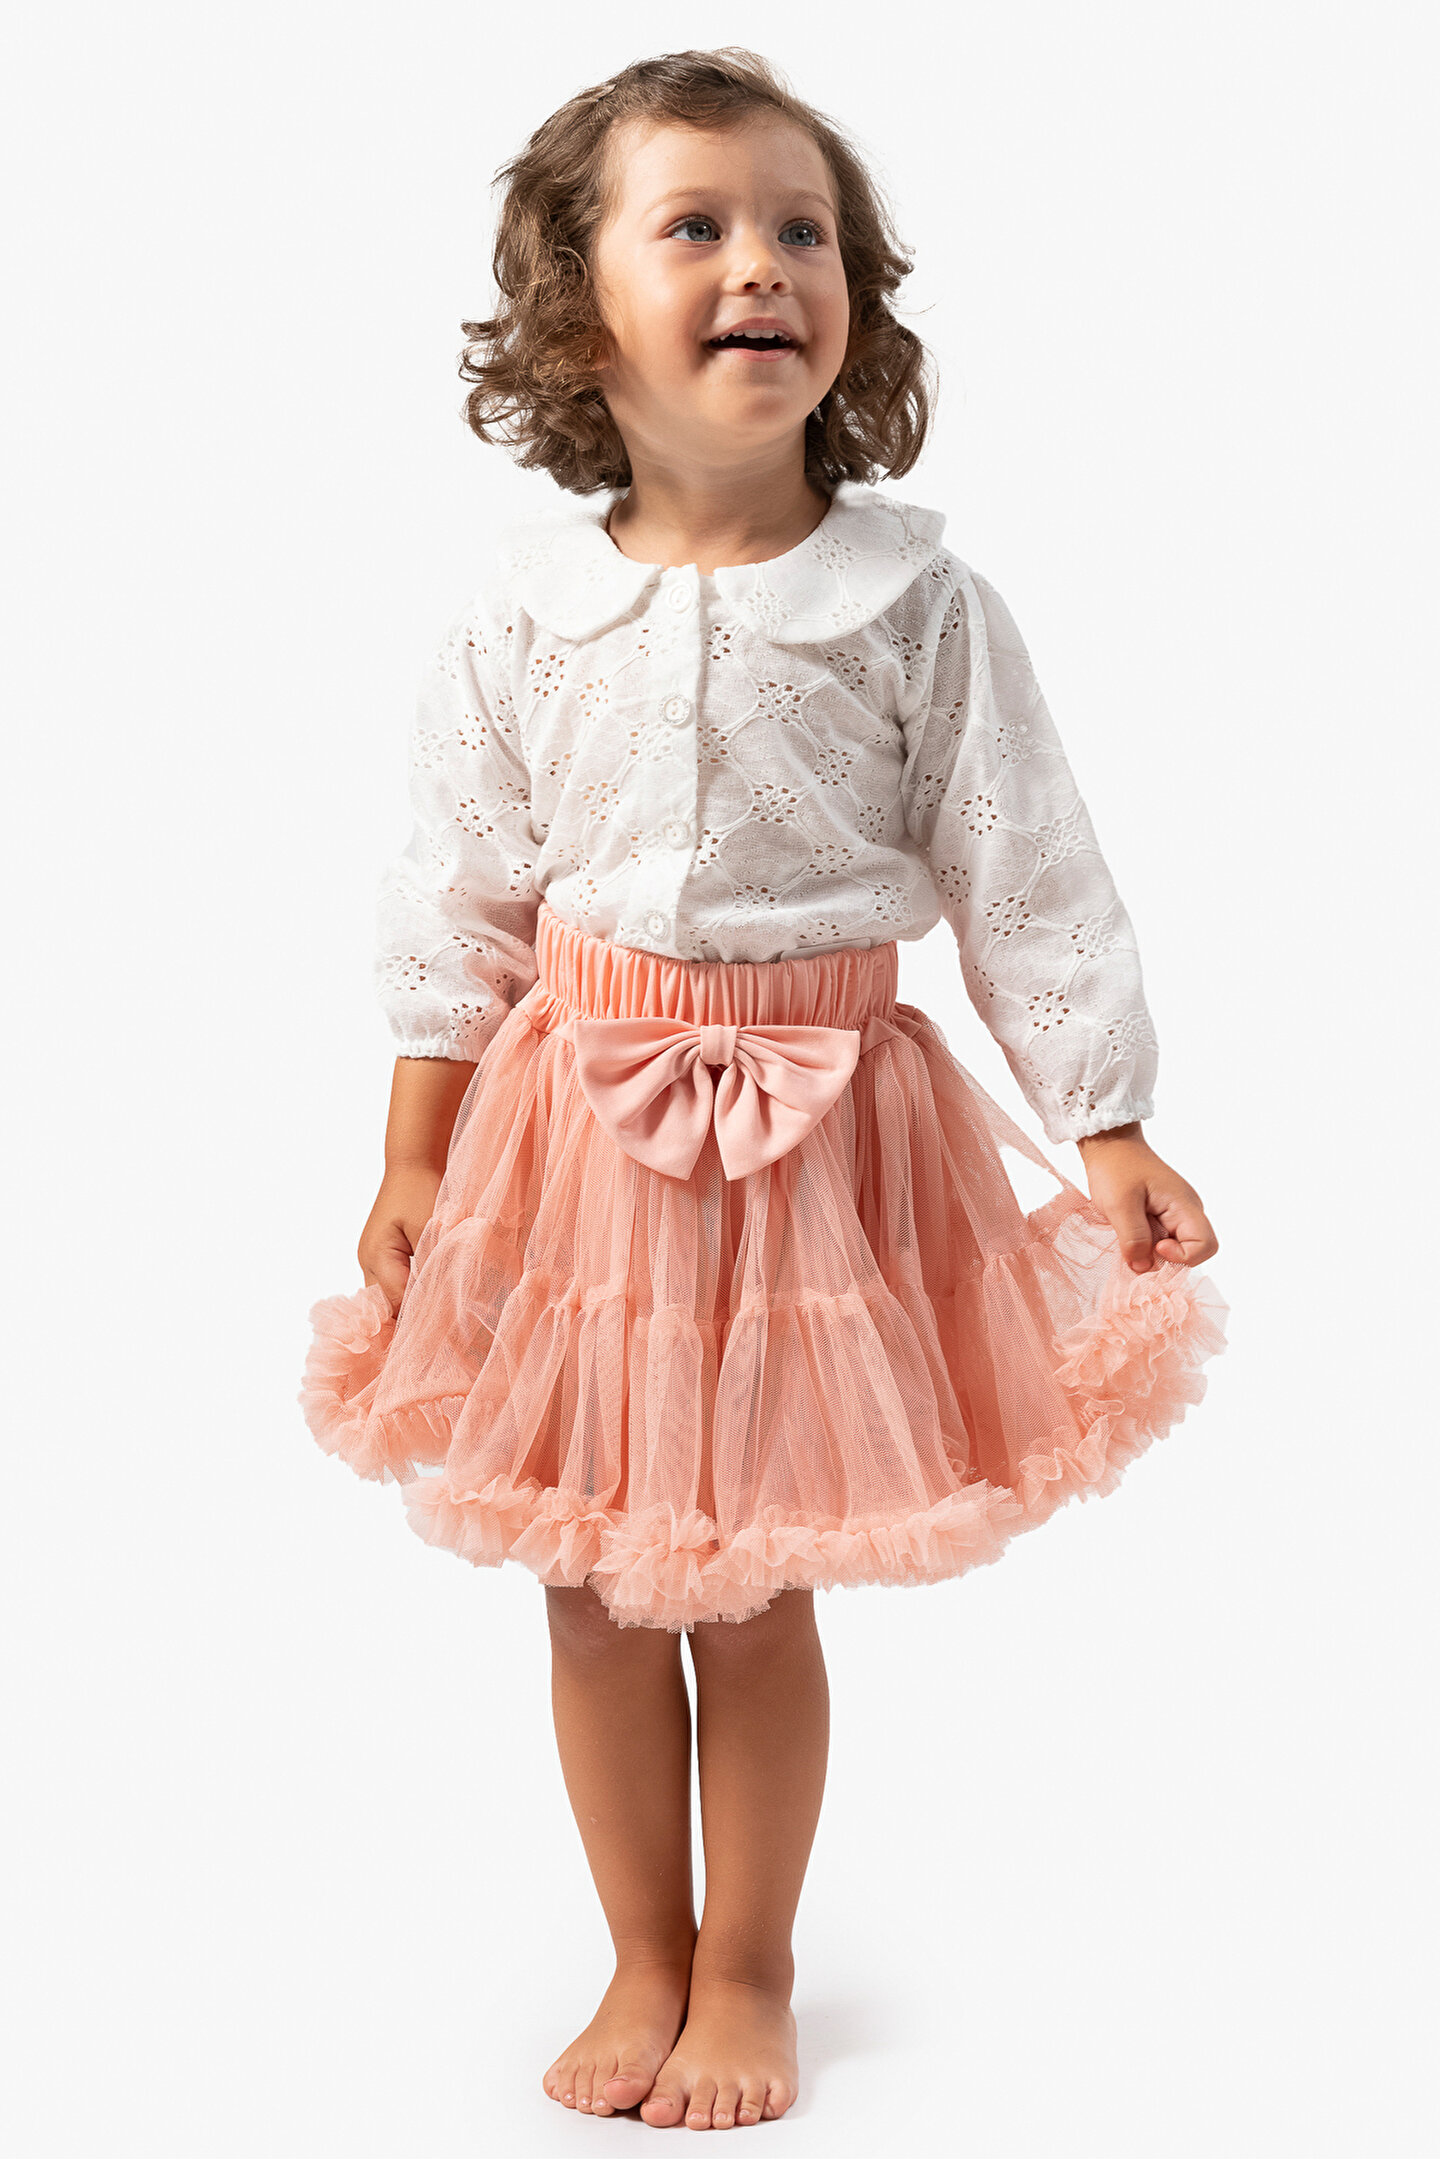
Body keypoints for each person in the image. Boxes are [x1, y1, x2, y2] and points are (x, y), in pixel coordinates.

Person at [298, 46, 1227, 2133]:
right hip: (576, 1140)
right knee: (591, 1589)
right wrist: (413, 1151)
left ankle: (748, 1965)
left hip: (824, 1144)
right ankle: (640, 1948)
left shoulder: (917, 603)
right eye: (698, 226)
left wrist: (1108, 1121)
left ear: (856, 302)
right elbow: (457, 895)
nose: (762, 265)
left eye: (803, 230)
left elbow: (1027, 870)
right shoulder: (520, 615)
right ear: (578, 321)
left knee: (754, 1582)